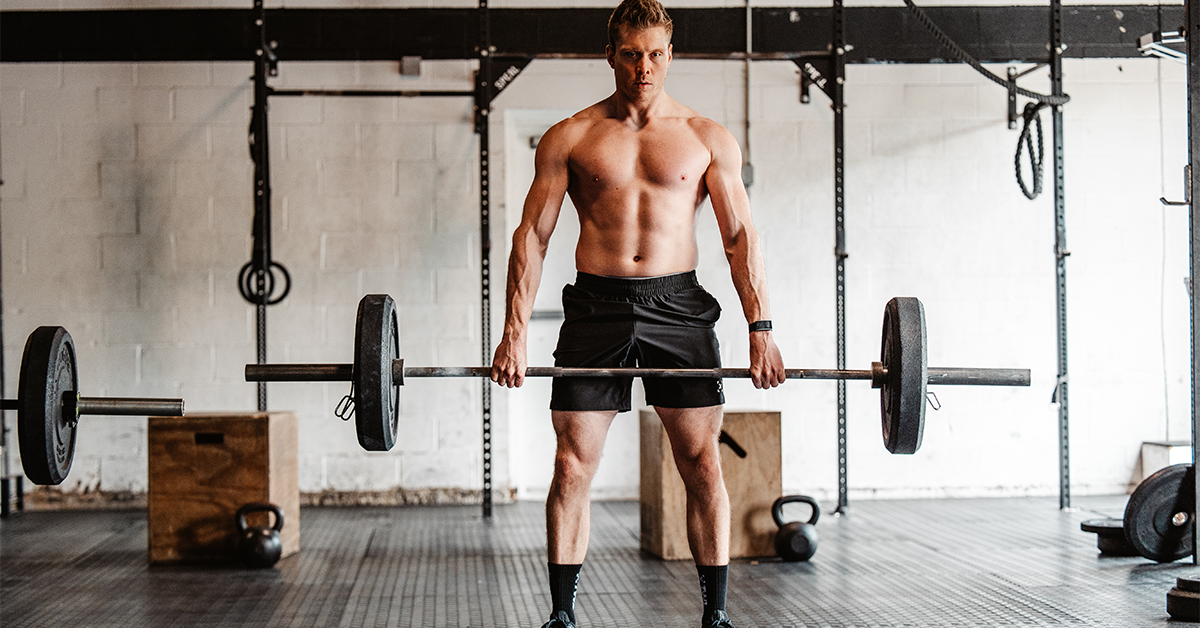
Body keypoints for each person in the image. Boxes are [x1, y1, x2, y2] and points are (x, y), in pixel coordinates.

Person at [490, 0, 786, 626]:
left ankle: (716, 615)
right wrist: (514, 333)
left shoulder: (706, 138)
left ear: (670, 55)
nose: (643, 67)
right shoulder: (570, 137)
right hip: (595, 307)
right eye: (631, 54)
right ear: (611, 54)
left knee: (701, 462)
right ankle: (563, 616)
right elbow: (531, 238)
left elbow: (741, 238)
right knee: (571, 464)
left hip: (677, 306)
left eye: (655, 54)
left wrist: (760, 329)